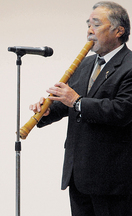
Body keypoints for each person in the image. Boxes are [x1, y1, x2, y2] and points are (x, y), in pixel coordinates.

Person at [30, 1, 132, 216]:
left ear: (119, 31)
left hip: (112, 179)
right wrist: (49, 111)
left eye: (96, 24)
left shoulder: (129, 65)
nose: (89, 31)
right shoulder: (85, 63)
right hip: (78, 174)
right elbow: (68, 105)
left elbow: (121, 111)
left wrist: (76, 101)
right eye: (88, 25)